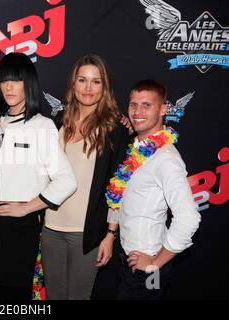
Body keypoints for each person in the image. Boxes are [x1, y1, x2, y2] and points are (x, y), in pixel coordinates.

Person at [0, 52, 77, 300]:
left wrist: (27, 208)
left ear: (28, 84)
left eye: (16, 80)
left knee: (15, 291)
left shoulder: (42, 125)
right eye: (4, 80)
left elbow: (67, 181)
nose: (8, 87)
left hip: (17, 228)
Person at [41, 53, 130, 300]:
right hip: (51, 228)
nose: (88, 88)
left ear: (105, 87)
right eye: (82, 80)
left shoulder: (115, 129)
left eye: (96, 81)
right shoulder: (59, 121)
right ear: (73, 83)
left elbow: (118, 187)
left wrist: (111, 235)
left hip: (87, 233)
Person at [106, 79, 201, 299]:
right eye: (133, 104)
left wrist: (155, 263)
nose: (137, 111)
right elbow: (122, 199)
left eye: (146, 105)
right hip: (130, 264)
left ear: (163, 110)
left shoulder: (166, 158)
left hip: (147, 271)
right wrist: (110, 236)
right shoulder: (138, 152)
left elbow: (188, 218)